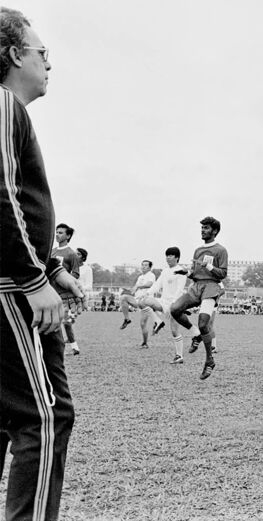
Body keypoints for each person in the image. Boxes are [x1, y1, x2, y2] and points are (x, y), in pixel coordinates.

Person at [0, 8, 84, 519]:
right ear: (13, 54)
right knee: (43, 417)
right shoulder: (5, 104)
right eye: (42, 53)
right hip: (11, 289)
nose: (49, 63)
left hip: (17, 279)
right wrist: (35, 281)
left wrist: (51, 268)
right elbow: (2, 197)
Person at [170, 217, 227, 380]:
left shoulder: (220, 250)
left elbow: (223, 274)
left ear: (214, 231)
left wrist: (208, 265)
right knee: (174, 309)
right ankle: (195, 334)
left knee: (204, 323)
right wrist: (186, 273)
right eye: (202, 228)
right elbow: (195, 275)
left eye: (206, 228)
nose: (203, 230)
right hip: (197, 287)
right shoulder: (198, 250)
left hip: (211, 287)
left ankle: (209, 360)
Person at [140, 247, 189, 364]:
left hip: (175, 303)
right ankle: (158, 321)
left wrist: (174, 305)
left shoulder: (181, 271)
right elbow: (157, 285)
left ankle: (179, 356)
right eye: (167, 255)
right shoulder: (165, 271)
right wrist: (147, 293)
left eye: (171, 255)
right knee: (144, 301)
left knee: (174, 330)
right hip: (163, 301)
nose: (168, 257)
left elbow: (180, 289)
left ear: (177, 258)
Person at [52, 223, 82, 355]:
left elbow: (76, 273)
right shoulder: (51, 251)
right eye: (56, 232)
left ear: (68, 235)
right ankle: (56, 348)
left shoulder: (71, 254)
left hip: (66, 294)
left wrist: (64, 280)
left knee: (67, 322)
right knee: (53, 321)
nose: (57, 235)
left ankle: (75, 347)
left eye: (60, 233)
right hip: (51, 292)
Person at [118, 260, 157, 348]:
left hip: (146, 302)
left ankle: (145, 343)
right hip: (137, 300)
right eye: (142, 265)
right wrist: (127, 290)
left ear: (150, 267)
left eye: (146, 265)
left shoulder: (151, 275)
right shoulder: (140, 277)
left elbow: (149, 284)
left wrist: (139, 286)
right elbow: (134, 290)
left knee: (143, 324)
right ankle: (127, 319)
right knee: (123, 297)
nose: (143, 266)